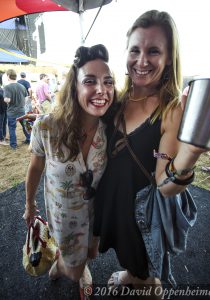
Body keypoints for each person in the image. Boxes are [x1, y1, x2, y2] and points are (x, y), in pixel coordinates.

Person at [93, 9, 210, 293]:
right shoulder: (117, 98)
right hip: (115, 203)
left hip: (141, 216)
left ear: (168, 58)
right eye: (135, 49)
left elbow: (164, 185)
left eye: (153, 51)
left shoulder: (170, 110)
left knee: (149, 279)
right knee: (129, 260)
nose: (141, 60)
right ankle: (129, 274)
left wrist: (192, 153)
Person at [22, 44, 116, 299]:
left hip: (95, 215)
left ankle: (75, 265)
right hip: (62, 216)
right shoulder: (47, 127)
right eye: (90, 81)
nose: (101, 89)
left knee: (90, 253)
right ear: (74, 87)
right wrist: (29, 205)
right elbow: (35, 168)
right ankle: (66, 267)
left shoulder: (112, 131)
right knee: (73, 268)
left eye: (108, 81)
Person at [4, 69, 31, 149]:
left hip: (12, 112)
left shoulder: (7, 87)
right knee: (26, 125)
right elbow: (26, 98)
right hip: (22, 110)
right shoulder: (22, 86)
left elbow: (7, 100)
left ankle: (13, 145)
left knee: (12, 128)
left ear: (8, 76)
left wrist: (5, 99)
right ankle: (30, 139)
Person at [0, 81, 8, 146]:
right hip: (1, 110)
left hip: (4, 109)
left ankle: (4, 136)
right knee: (0, 125)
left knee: (4, 123)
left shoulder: (2, 89)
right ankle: (1, 139)